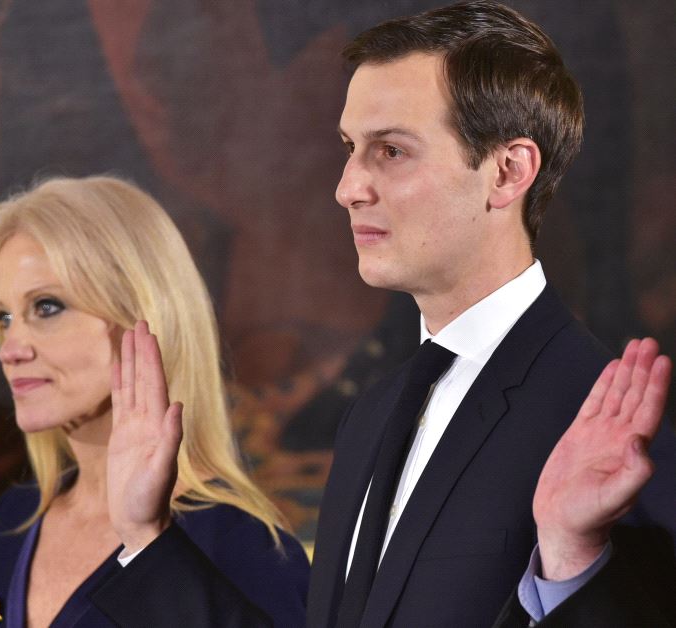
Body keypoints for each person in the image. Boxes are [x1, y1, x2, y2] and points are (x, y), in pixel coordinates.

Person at [93, 2, 676, 627]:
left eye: (391, 151)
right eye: (351, 148)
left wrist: (570, 562)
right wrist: (145, 534)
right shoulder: (372, 413)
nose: (348, 187)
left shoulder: (606, 415)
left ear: (508, 172)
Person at [0, 176, 310, 627]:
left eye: (46, 307)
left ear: (143, 316)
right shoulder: (13, 523)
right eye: (4, 317)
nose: (10, 348)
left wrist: (147, 540)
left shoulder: (240, 542)